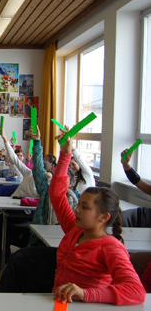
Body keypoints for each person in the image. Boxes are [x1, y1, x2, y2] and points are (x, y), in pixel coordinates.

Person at [48, 131, 145, 305]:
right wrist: (65, 154)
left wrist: (85, 294)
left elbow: (136, 291)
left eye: (84, 207)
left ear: (104, 217)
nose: (76, 210)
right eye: (79, 205)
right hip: (61, 304)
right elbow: (56, 195)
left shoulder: (110, 247)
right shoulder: (75, 230)